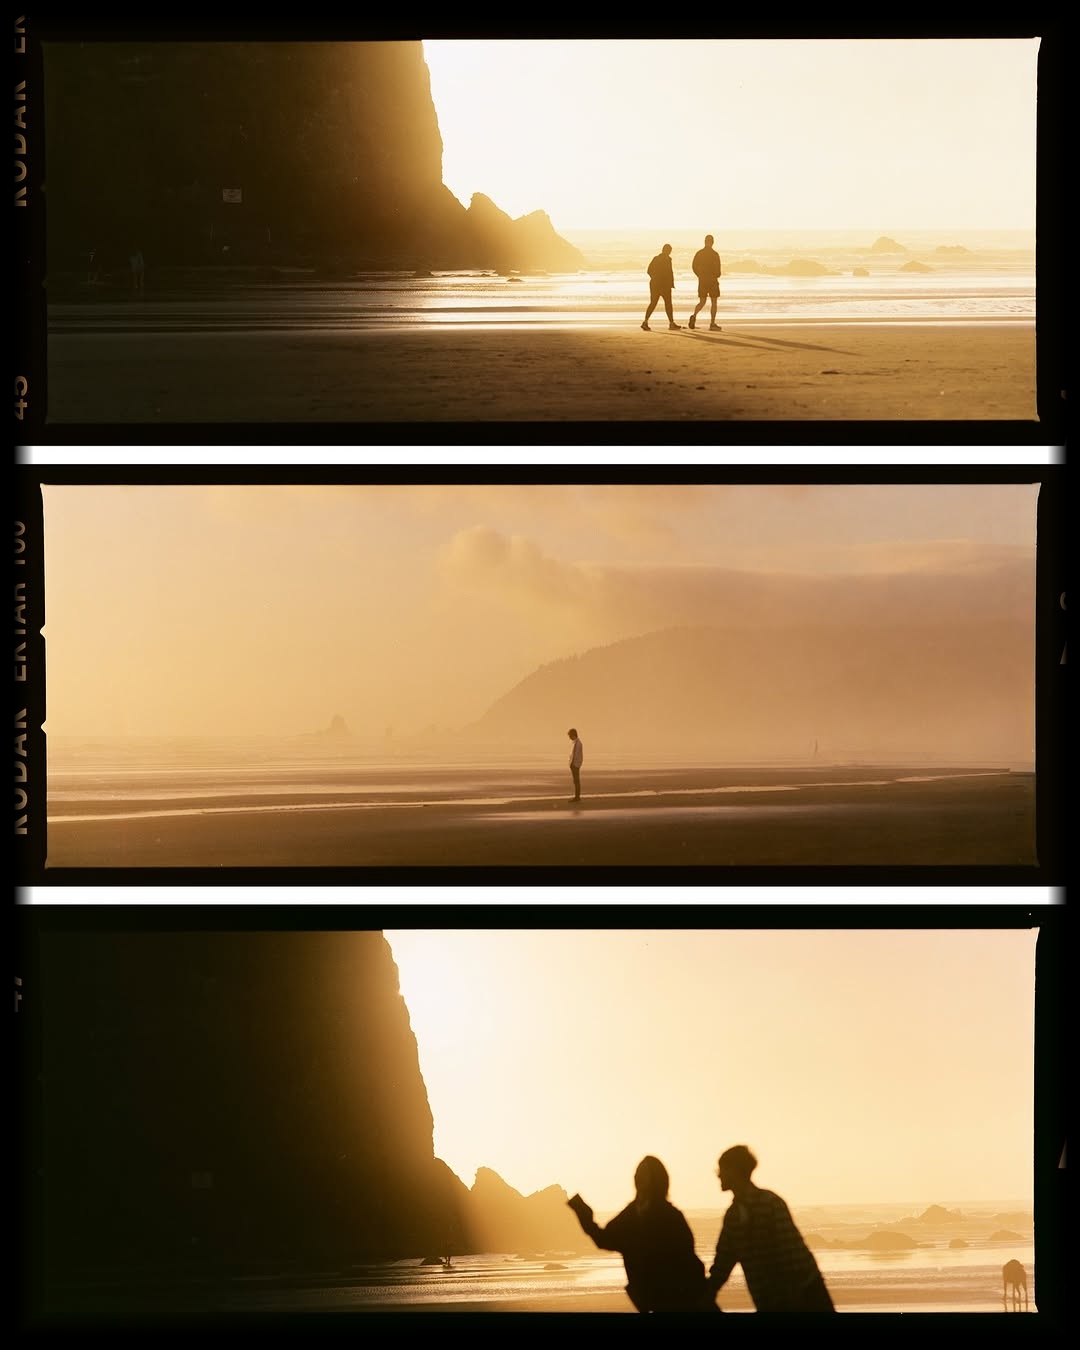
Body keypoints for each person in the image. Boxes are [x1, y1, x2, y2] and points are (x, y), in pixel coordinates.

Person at [568, 1156, 710, 1313]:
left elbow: (690, 1261)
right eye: (638, 1173)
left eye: (644, 1174)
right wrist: (583, 1213)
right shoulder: (631, 1214)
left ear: (657, 1180)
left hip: (678, 1300)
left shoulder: (670, 1216)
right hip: (650, 1301)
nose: (638, 1178)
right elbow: (604, 1239)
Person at [705, 1145, 835, 1312]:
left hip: (803, 1294)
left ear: (736, 1171)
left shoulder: (768, 1203)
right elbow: (724, 1260)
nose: (719, 1175)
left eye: (722, 1169)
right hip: (775, 1298)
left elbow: (790, 1253)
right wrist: (707, 1293)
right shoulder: (735, 1215)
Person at [641, 243, 681, 331]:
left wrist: (655, 278)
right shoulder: (667, 259)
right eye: (669, 251)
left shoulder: (656, 258)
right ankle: (671, 324)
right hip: (664, 286)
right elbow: (668, 273)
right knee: (668, 304)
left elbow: (649, 270)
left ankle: (645, 322)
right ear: (668, 251)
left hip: (655, 284)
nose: (670, 253)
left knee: (653, 303)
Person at [688, 233, 722, 331]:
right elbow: (718, 270)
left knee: (702, 302)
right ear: (712, 243)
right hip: (712, 281)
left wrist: (699, 275)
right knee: (714, 302)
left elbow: (694, 266)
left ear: (705, 242)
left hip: (702, 280)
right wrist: (717, 275)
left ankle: (694, 316)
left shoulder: (699, 253)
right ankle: (712, 323)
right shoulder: (715, 254)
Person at [567, 727, 583, 801]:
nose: (569, 738)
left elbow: (576, 755)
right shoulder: (575, 742)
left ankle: (577, 797)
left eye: (570, 736)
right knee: (576, 781)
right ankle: (577, 796)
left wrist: (573, 764)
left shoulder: (578, 743)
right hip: (575, 764)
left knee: (576, 781)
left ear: (573, 735)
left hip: (575, 765)